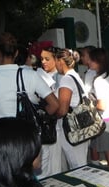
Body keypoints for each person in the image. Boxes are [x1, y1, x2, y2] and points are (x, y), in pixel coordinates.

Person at [0, 32, 59, 128]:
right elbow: (55, 104)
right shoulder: (31, 75)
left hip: (4, 137)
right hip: (29, 136)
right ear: (16, 53)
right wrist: (39, 119)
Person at [55, 48, 90, 169]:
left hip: (72, 128)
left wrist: (52, 116)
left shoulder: (66, 80)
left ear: (60, 61)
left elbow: (63, 110)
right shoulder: (75, 76)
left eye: (55, 61)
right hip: (82, 125)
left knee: (77, 166)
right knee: (81, 162)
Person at [36, 45, 63, 178]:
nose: (43, 62)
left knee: (56, 164)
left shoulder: (61, 76)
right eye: (41, 59)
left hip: (58, 124)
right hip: (44, 124)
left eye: (47, 59)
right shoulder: (37, 75)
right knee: (44, 163)